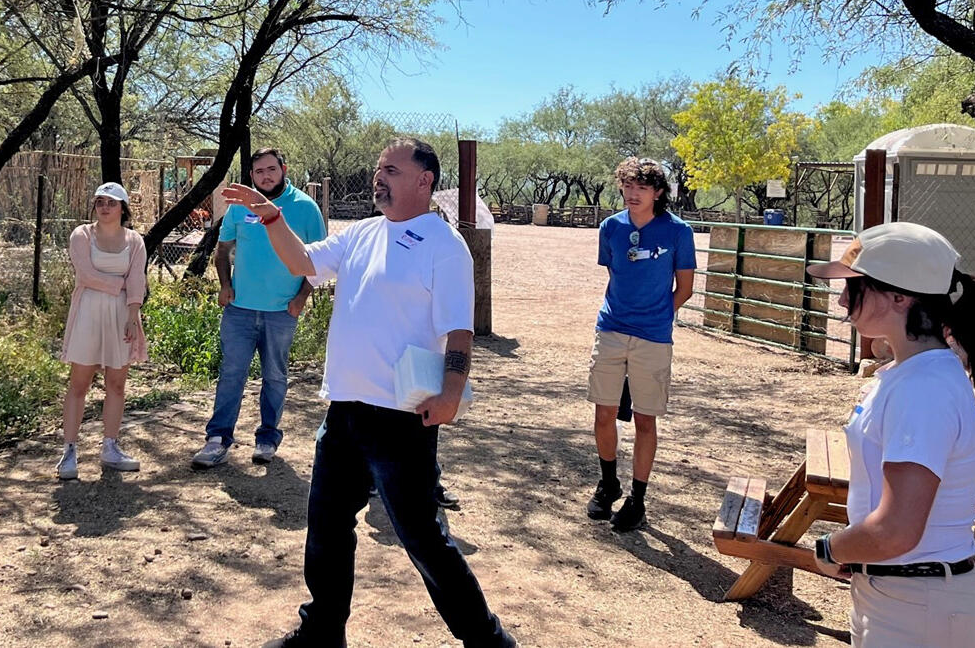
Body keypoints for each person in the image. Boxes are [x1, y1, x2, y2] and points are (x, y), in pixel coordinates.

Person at [224, 137, 515, 648]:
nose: (379, 177)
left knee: (423, 539)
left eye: (393, 170)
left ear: (424, 180)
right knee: (328, 528)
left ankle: (488, 642)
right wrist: (271, 218)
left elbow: (459, 331)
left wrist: (452, 392)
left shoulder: (444, 245)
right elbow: (301, 262)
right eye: (379, 168)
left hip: (401, 419)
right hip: (344, 411)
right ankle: (322, 631)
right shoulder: (360, 234)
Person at [807, 222, 975, 647]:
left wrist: (829, 550)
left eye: (854, 287)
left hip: (917, 606)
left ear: (898, 296)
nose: (841, 299)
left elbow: (895, 531)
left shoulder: (923, 388)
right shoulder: (910, 373)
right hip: (898, 596)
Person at [192, 148, 326, 469]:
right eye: (259, 172)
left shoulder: (305, 209)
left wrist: (300, 299)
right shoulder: (241, 207)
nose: (265, 176)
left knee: (275, 376)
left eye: (271, 169)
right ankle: (217, 439)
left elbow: (319, 263)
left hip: (281, 311)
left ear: (283, 168)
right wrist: (225, 285)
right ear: (251, 176)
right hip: (239, 310)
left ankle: (267, 439)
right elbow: (223, 250)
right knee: (231, 375)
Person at [585, 157, 695, 532]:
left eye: (642, 188)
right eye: (628, 187)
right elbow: (615, 273)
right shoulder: (610, 227)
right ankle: (608, 482)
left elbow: (686, 287)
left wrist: (660, 315)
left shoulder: (678, 232)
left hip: (653, 337)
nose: (632, 194)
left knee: (645, 420)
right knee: (603, 413)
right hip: (612, 329)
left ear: (658, 193)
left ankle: (638, 498)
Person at [55, 182, 149, 480]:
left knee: (117, 383)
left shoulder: (134, 240)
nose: (105, 207)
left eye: (111, 202)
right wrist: (119, 285)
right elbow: (85, 274)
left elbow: (138, 279)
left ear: (123, 207)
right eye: (100, 202)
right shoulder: (82, 235)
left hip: (121, 314)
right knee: (79, 382)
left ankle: (110, 447)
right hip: (87, 313)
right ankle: (70, 450)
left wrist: (132, 314)